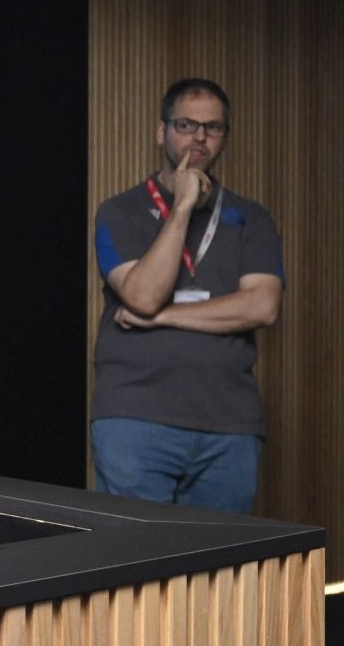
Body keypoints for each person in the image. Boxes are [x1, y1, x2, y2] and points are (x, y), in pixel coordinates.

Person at [89, 79, 285, 512]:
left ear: (224, 139)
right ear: (162, 132)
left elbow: (262, 306)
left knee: (219, 569)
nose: (199, 137)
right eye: (186, 124)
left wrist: (162, 317)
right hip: (134, 418)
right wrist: (181, 207)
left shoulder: (252, 218)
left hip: (229, 424)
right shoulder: (119, 212)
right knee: (136, 562)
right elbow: (141, 296)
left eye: (212, 128)